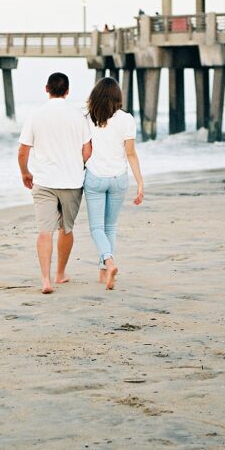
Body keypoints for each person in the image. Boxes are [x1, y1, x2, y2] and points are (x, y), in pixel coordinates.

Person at [18, 73, 92, 294]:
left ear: (46, 89)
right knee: (66, 229)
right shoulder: (78, 116)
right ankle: (60, 274)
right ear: (67, 91)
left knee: (44, 231)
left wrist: (25, 173)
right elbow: (87, 150)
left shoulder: (35, 115)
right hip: (71, 181)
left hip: (44, 181)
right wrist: (76, 164)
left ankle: (46, 281)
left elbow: (23, 151)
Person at [83, 77, 144, 290]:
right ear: (118, 97)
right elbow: (131, 153)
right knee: (110, 227)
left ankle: (108, 262)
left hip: (95, 178)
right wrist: (140, 183)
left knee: (97, 228)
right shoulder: (127, 119)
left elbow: (85, 150)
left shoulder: (88, 118)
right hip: (119, 179)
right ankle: (104, 273)